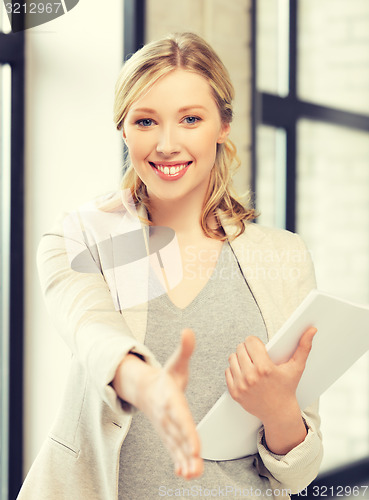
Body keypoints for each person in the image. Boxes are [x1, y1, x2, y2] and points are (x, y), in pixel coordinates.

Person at [17, 32, 323, 500]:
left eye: (190, 119)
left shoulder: (283, 257)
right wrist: (145, 384)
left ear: (223, 125)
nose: (166, 144)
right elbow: (92, 332)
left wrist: (280, 409)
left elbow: (299, 473)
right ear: (123, 128)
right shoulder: (81, 238)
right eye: (145, 121)